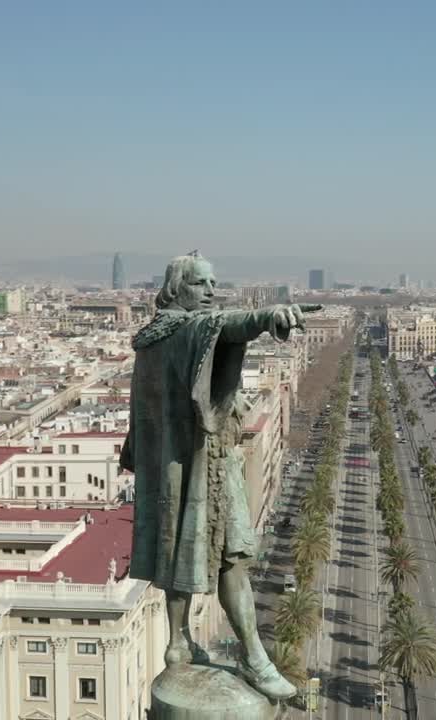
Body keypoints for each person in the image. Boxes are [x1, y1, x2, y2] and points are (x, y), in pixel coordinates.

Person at [120, 253, 319, 701]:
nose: (211, 290)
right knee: (230, 556)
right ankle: (253, 657)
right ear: (176, 289)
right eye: (200, 283)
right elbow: (227, 326)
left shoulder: (151, 340)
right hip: (200, 463)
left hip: (180, 465)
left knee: (181, 552)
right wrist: (267, 316)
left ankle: (177, 644)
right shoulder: (182, 329)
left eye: (213, 282)